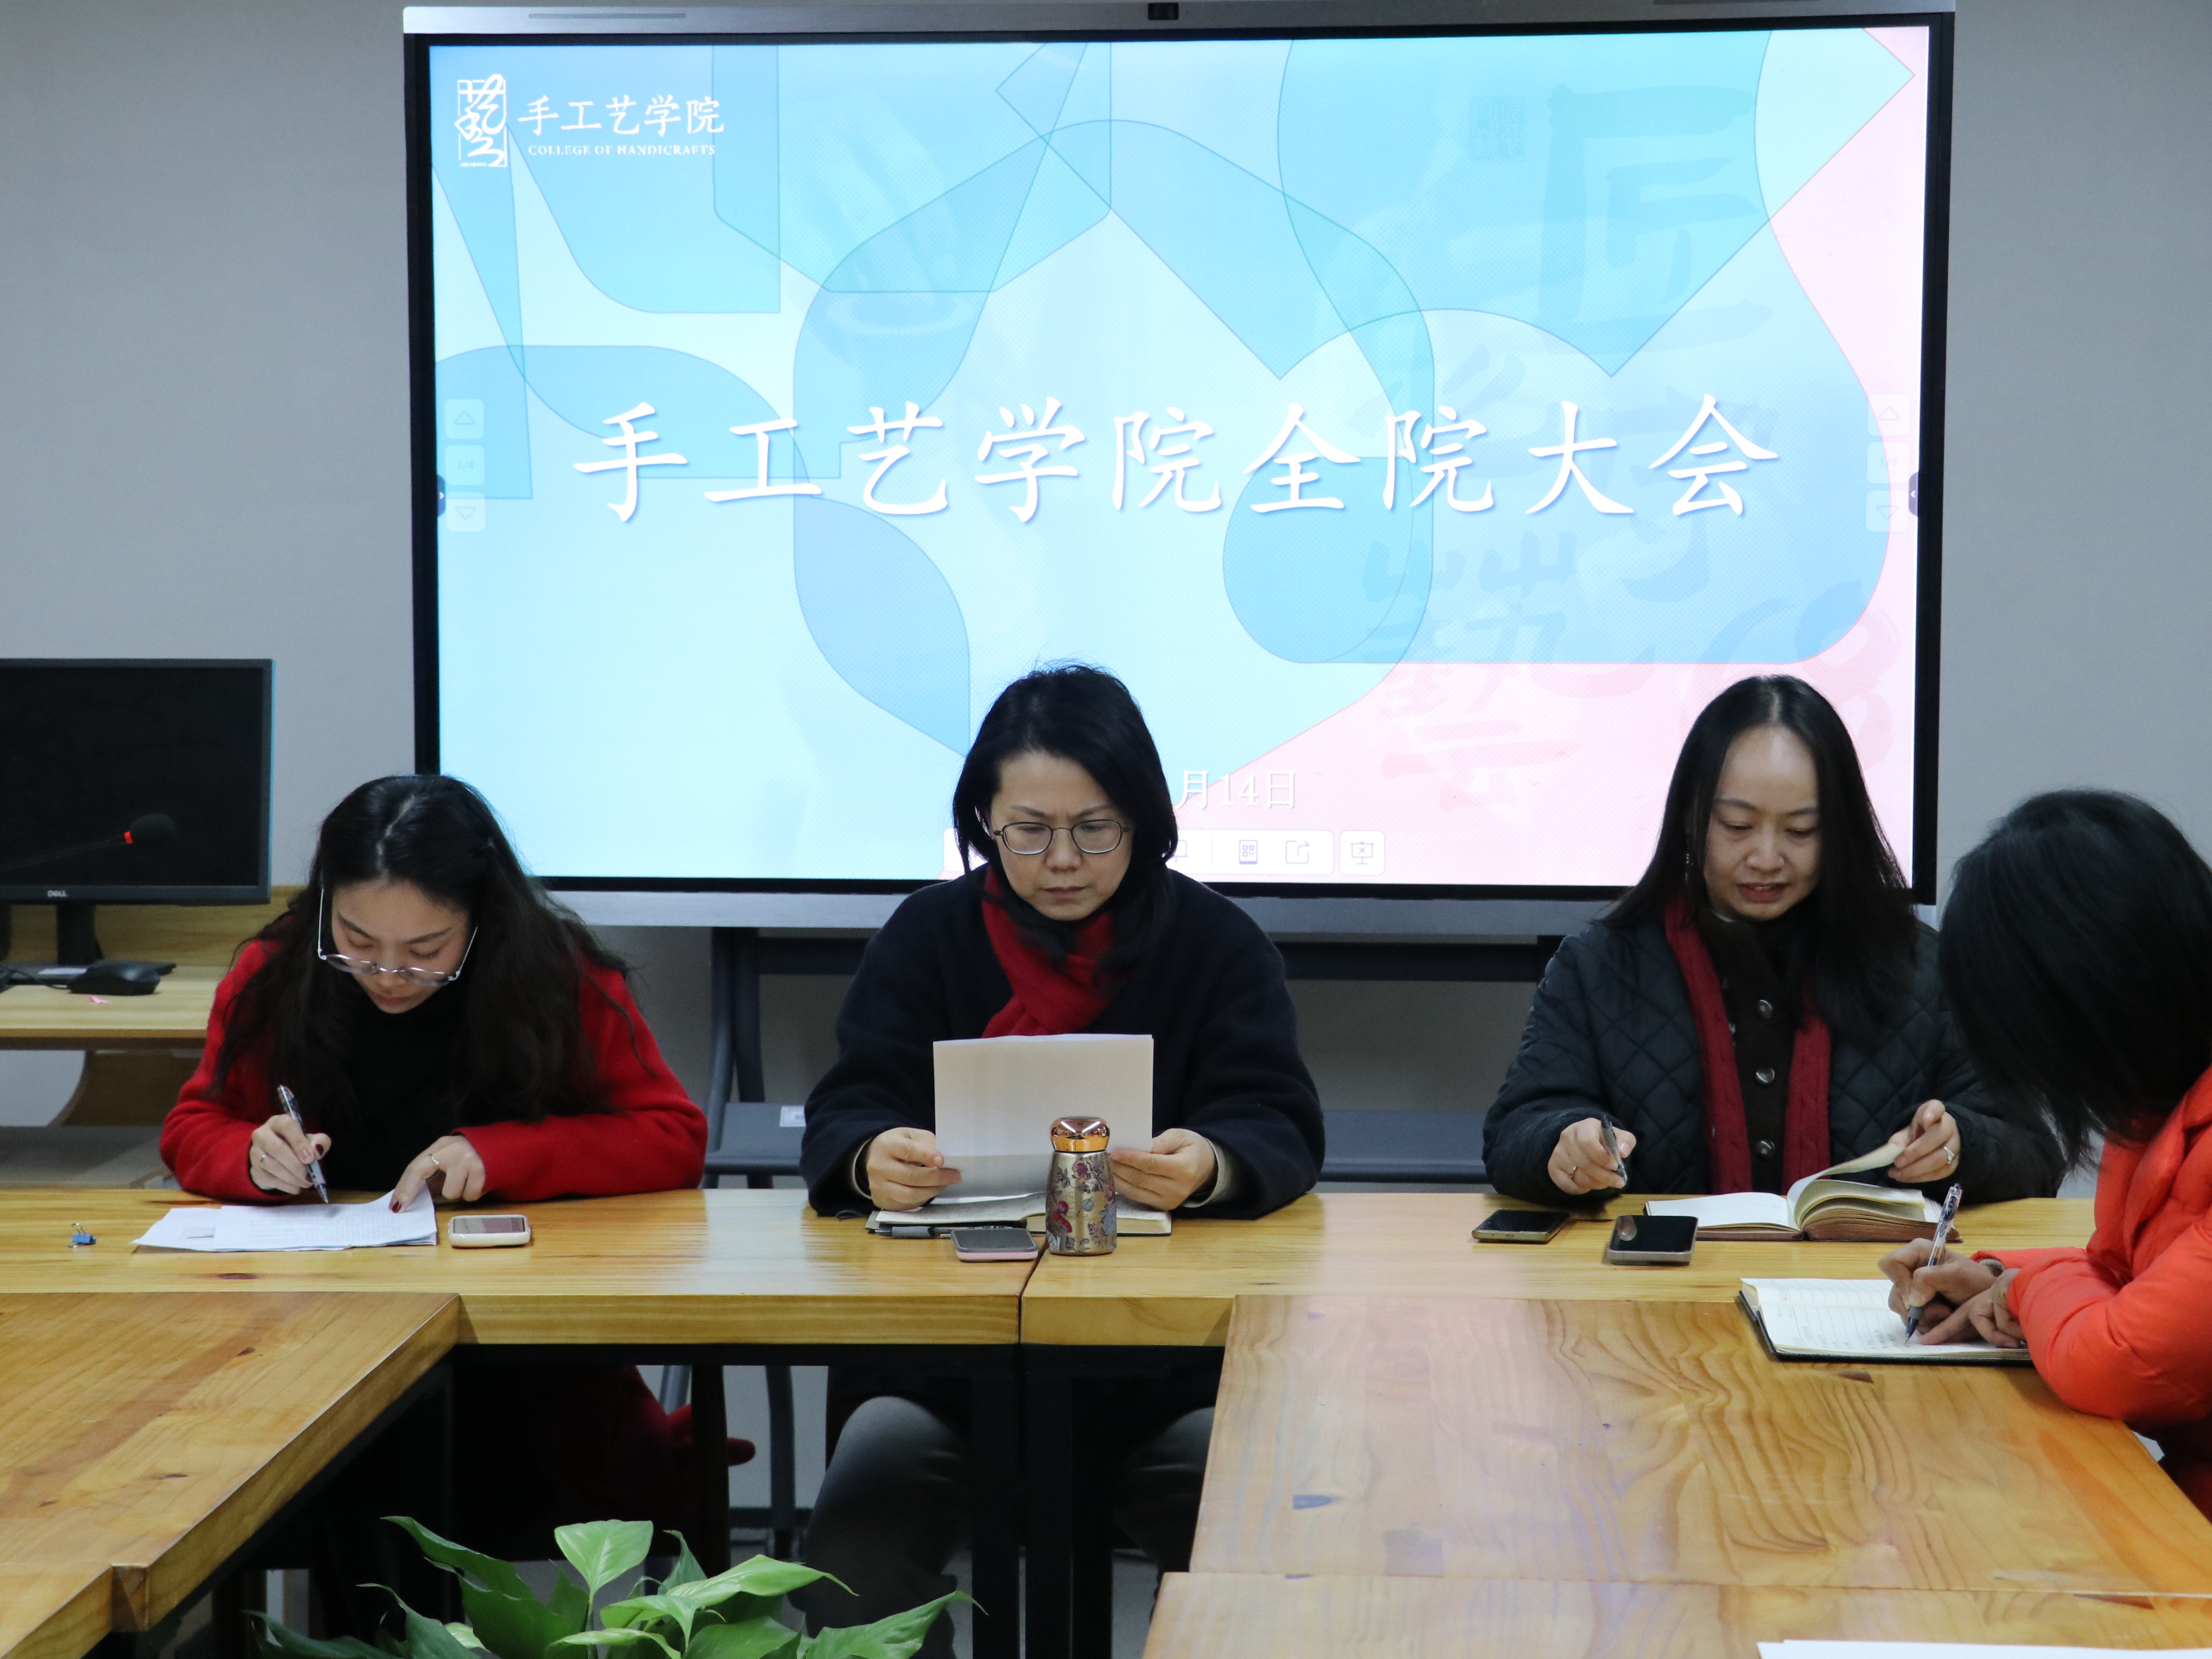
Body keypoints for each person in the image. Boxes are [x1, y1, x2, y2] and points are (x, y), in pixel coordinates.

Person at [796, 663, 1323, 1652]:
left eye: (1096, 828)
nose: (1064, 859)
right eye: (1029, 830)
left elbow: (1279, 1120)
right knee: (852, 1558)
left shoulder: (1215, 943)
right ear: (984, 822)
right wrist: (872, 1157)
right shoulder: (925, 937)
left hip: (1161, 1373)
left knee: (1258, 1547)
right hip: (942, 1375)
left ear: (1144, 821)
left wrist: (1210, 1161)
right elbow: (847, 1106)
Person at [160, 775, 742, 1607]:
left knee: (425, 1468)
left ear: (479, 916)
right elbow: (194, 1124)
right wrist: (251, 1157)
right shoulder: (277, 971)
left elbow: (671, 1134)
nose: (388, 973)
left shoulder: (553, 972)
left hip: (514, 1356)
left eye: (426, 949)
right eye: (356, 940)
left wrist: (500, 1154)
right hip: (315, 1337)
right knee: (332, 1462)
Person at [1483, 675, 2060, 1205]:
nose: (1765, 857)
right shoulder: (1598, 967)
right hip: (1661, 1276)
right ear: (1690, 818)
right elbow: (1515, 1132)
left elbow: (2033, 1154)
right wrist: (1563, 1144)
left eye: (1800, 831)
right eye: (1737, 826)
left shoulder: (1923, 968)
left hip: (1868, 1278)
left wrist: (1961, 1145)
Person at [1880, 791, 2212, 1517]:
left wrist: (2022, 1293)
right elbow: (2128, 1275)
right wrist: (1995, 1275)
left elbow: (2116, 1359)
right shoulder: (2156, 1106)